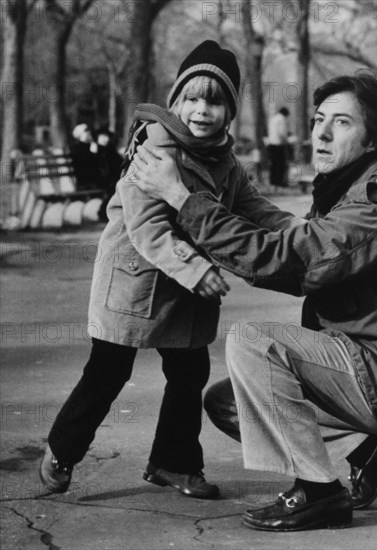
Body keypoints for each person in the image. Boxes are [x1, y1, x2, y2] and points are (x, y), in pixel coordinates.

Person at [131, 74, 377, 531]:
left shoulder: (372, 213)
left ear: (373, 139)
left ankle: (319, 493)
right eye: (317, 120)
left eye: (341, 122)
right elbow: (291, 236)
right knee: (230, 403)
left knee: (253, 340)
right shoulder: (345, 192)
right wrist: (227, 199)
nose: (322, 133)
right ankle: (369, 450)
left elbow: (282, 259)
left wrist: (182, 197)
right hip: (362, 366)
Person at [39, 41, 298, 500]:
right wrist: (198, 270)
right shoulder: (155, 147)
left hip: (183, 290)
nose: (202, 110)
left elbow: (255, 208)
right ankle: (62, 448)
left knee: (189, 371)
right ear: (176, 100)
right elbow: (148, 227)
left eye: (215, 101)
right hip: (136, 279)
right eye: (193, 98)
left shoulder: (225, 161)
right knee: (108, 371)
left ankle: (172, 462)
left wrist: (299, 230)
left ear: (230, 110)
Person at [95, 127, 124, 221]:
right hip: (100, 178)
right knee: (114, 187)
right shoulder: (95, 150)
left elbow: (119, 164)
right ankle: (103, 212)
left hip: (113, 177)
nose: (105, 139)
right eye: (102, 136)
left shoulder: (111, 150)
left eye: (106, 136)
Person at [71, 123, 101, 190]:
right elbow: (84, 165)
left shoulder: (91, 146)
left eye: (89, 131)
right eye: (86, 132)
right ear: (80, 135)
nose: (89, 133)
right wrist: (93, 153)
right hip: (85, 182)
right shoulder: (77, 148)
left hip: (94, 180)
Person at [267, 107, 290, 186]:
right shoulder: (282, 119)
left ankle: (272, 180)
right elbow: (282, 132)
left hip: (271, 143)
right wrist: (287, 140)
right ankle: (279, 181)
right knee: (281, 164)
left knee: (273, 163)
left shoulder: (273, 119)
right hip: (279, 144)